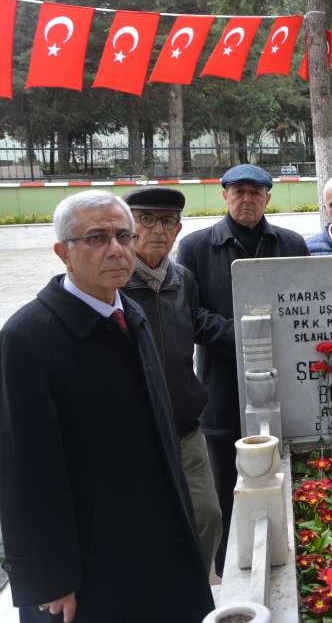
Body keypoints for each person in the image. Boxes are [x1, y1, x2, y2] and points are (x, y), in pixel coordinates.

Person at [0, 190, 214, 622]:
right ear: (63, 252)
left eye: (122, 235)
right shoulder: (27, 338)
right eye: (96, 238)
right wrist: (48, 576)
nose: (116, 249)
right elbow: (23, 470)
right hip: (89, 557)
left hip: (157, 536)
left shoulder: (130, 313)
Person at [178, 163, 309, 574]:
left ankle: (284, 554)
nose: (247, 199)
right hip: (222, 384)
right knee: (224, 481)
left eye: (256, 192)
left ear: (268, 198)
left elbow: (307, 304)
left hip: (282, 379)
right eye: (239, 192)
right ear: (224, 196)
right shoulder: (197, 247)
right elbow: (191, 316)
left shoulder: (290, 243)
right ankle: (230, 566)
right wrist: (243, 334)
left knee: (282, 465)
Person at [122, 187, 227, 574]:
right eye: (146, 219)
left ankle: (194, 587)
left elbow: (196, 322)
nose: (157, 229)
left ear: (179, 229)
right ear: (128, 227)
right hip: (136, 435)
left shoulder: (182, 277)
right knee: (146, 527)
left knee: (208, 516)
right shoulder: (113, 283)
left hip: (185, 429)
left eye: (167, 221)